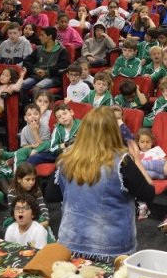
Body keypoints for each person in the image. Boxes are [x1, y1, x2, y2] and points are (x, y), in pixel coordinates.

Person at [55, 107, 154, 258]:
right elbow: (148, 193)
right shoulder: (122, 161)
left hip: (70, 242)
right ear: (113, 131)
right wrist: (137, 161)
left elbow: (52, 194)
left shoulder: (67, 157)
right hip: (110, 246)